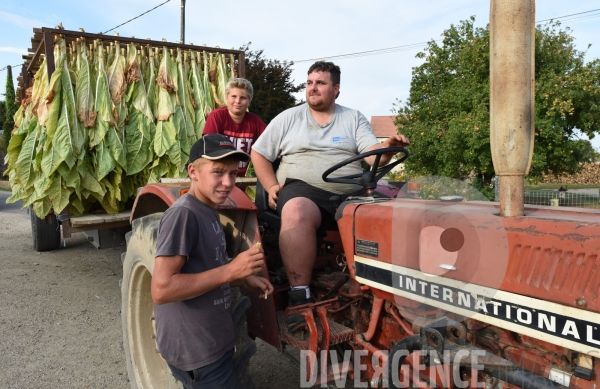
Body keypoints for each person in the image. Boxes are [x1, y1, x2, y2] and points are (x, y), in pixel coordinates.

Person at [251, 61, 409, 312]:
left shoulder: (353, 118)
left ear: (336, 89)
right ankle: (299, 295)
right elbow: (259, 153)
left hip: (349, 192)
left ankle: (387, 287)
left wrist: (387, 146)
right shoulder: (289, 118)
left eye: (320, 83)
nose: (313, 88)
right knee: (296, 211)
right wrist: (270, 185)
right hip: (302, 189)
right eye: (310, 83)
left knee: (398, 209)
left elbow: (371, 155)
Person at [151, 133, 274, 389]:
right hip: (199, 355)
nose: (228, 182)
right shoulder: (184, 214)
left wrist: (242, 278)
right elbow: (162, 289)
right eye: (218, 172)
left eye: (233, 173)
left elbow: (204, 269)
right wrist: (231, 271)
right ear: (193, 172)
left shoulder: (209, 210)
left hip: (214, 344)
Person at [203, 78, 266, 177]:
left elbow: (270, 144)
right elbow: (209, 146)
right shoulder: (217, 116)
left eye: (243, 98)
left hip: (245, 180)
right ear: (227, 97)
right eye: (234, 96)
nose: (237, 101)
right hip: (220, 177)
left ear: (249, 101)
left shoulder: (255, 121)